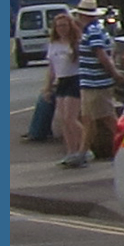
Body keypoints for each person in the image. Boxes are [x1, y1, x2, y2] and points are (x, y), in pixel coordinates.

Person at [65, 0, 124, 168]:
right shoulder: (93, 31)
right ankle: (83, 153)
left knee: (107, 118)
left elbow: (101, 55)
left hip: (96, 83)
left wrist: (114, 73)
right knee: (90, 119)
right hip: (91, 82)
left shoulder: (93, 32)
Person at [45, 12, 83, 165]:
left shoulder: (76, 42)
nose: (62, 28)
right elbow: (52, 68)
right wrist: (47, 87)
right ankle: (71, 151)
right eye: (59, 26)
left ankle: (84, 147)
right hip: (62, 81)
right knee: (63, 119)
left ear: (70, 26)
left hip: (75, 79)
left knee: (70, 118)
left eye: (64, 25)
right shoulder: (54, 44)